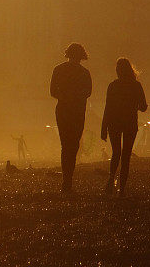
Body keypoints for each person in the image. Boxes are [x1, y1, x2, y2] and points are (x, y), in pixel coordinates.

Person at [101, 57, 147, 196]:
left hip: (114, 123)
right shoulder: (136, 85)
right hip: (130, 123)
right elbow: (143, 107)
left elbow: (107, 108)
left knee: (116, 153)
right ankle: (122, 189)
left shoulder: (113, 86)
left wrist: (103, 128)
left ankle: (110, 179)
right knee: (126, 156)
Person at [50, 43, 92, 193]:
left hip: (62, 111)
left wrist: (65, 98)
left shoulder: (58, 70)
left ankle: (66, 181)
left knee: (65, 145)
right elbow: (88, 92)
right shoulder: (84, 73)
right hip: (78, 112)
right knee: (73, 145)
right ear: (81, 56)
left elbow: (53, 91)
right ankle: (68, 179)